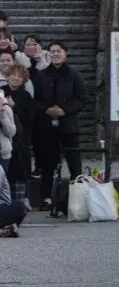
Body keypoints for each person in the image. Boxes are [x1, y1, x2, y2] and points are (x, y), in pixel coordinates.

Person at [33, 42, 87, 210]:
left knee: (74, 163)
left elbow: (81, 99)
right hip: (47, 125)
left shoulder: (74, 75)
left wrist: (65, 110)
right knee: (48, 164)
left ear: (65, 54)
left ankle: (78, 197)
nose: (55, 54)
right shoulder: (41, 75)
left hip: (68, 125)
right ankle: (46, 198)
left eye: (58, 51)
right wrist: (46, 109)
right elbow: (35, 99)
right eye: (52, 52)